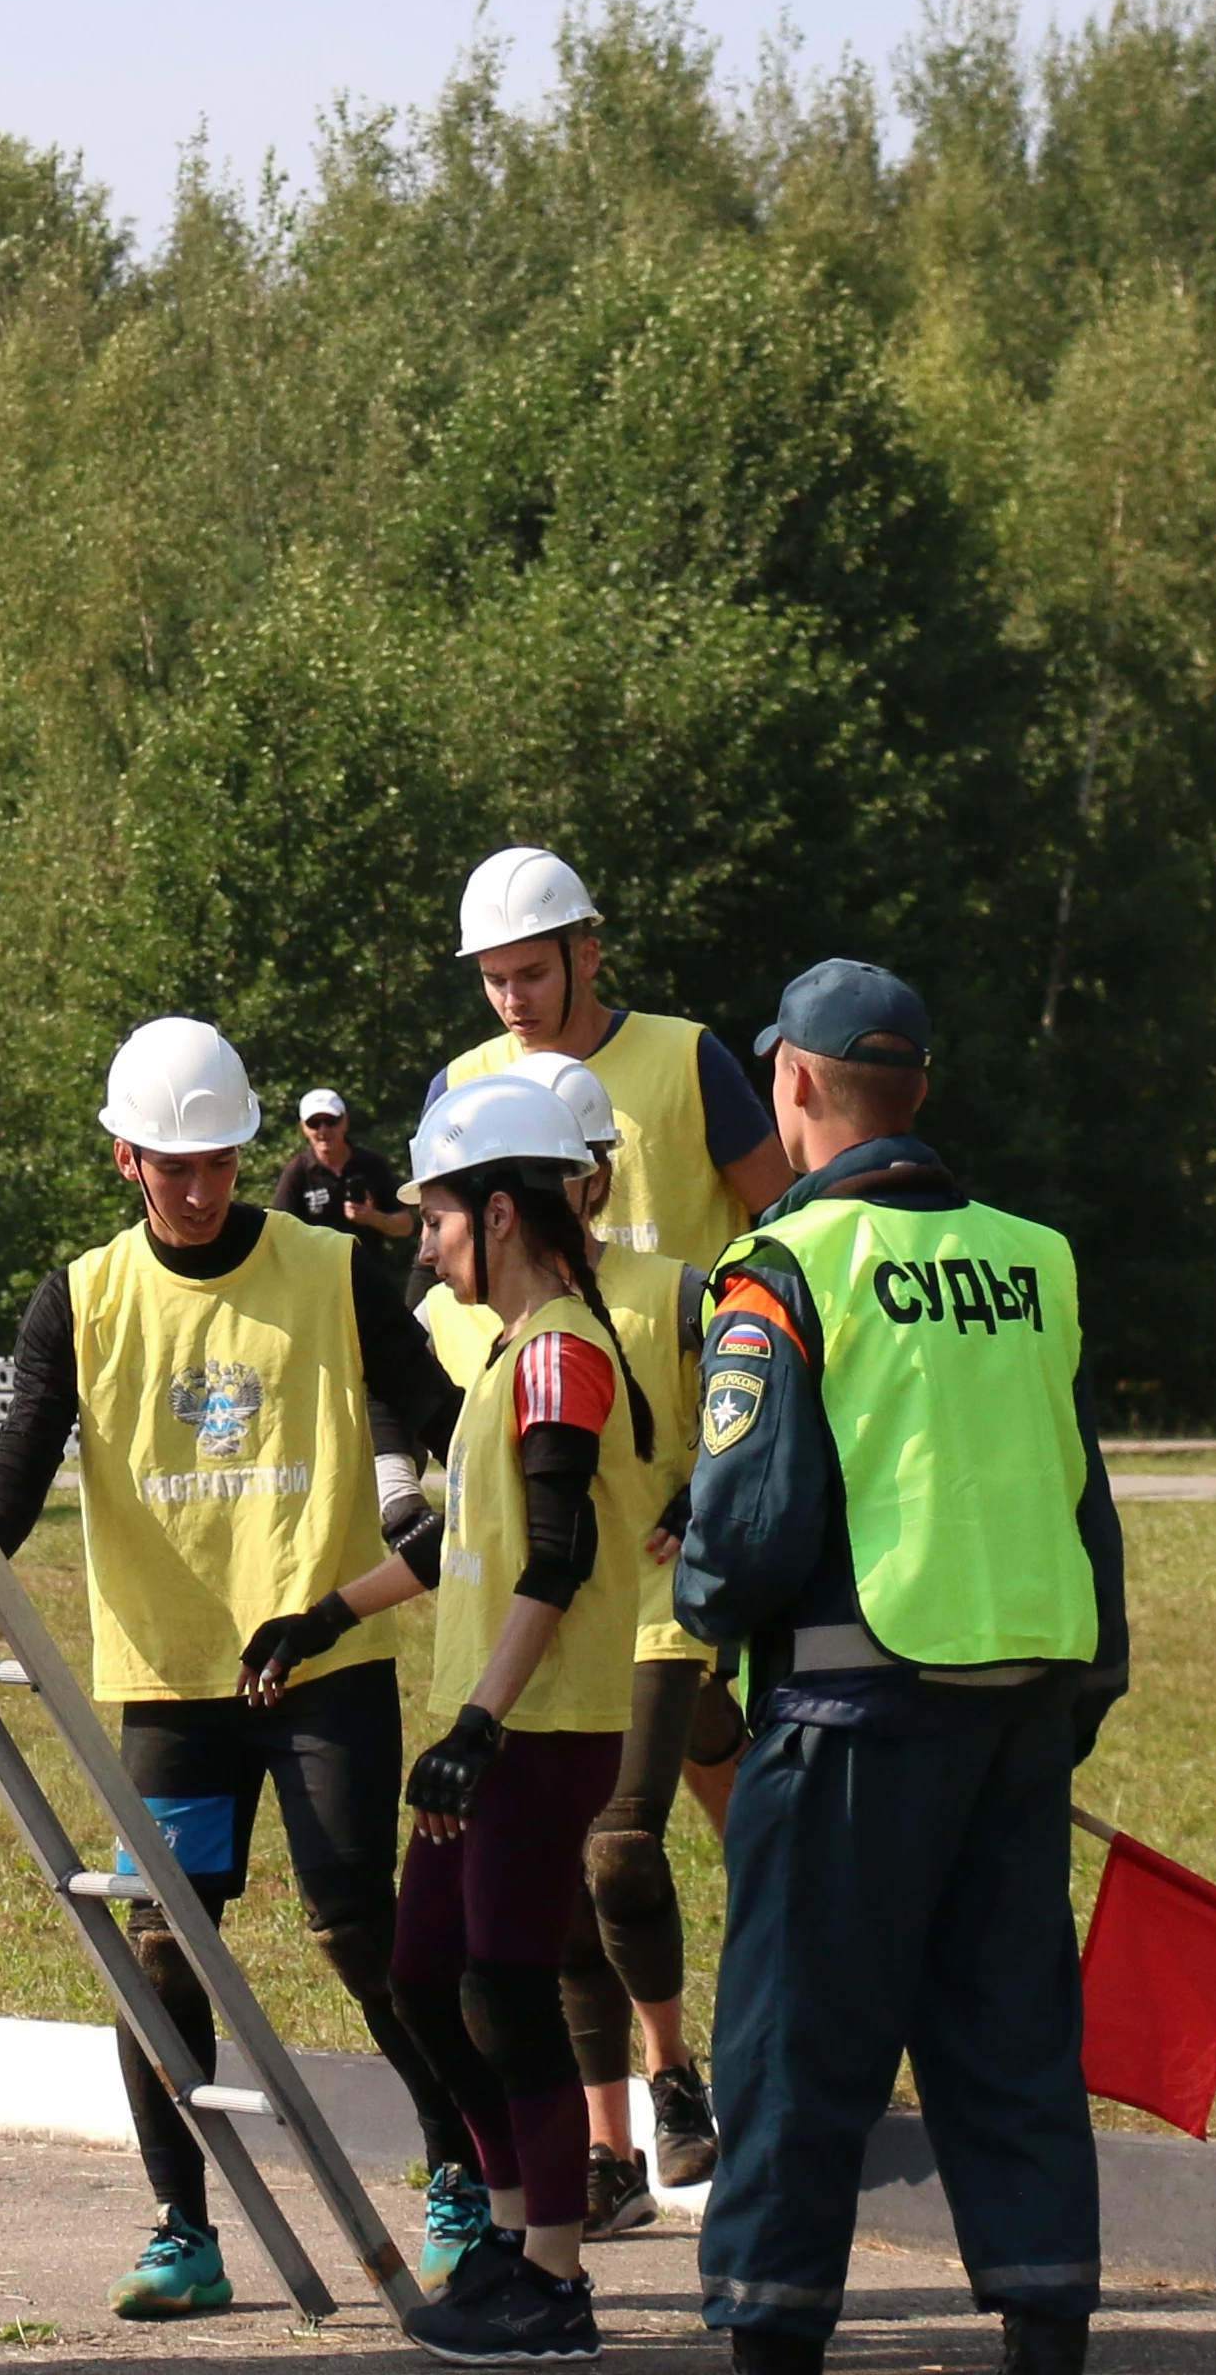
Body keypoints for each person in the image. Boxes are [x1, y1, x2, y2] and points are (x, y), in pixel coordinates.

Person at [0, 1016, 482, 2317]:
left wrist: (502, 1465)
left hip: (323, 1666)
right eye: (172, 1167)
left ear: (246, 1150)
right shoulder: (80, 1297)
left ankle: (458, 2178)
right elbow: (16, 1480)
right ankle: (182, 2229)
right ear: (124, 1160)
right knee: (160, 1950)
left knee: (363, 1930)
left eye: (219, 1163)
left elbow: (441, 1416)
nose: (199, 1190)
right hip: (169, 1685)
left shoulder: (333, 1271)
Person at [675, 962, 1126, 2375]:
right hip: (1021, 1719)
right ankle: (1046, 2338)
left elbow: (747, 1534)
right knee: (1011, 2055)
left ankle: (771, 2339)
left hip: (845, 1728)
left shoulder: (788, 1270)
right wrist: (1075, 1706)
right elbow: (1083, 1504)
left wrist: (695, 1610)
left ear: (795, 1085)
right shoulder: (1036, 1259)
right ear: (920, 1088)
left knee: (792, 2060)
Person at [236, 1072, 662, 2361]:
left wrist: (478, 1725)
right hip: (494, 1722)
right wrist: (323, 1616)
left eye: (436, 1219)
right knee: (423, 1978)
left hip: (540, 1727)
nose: (421, 1240)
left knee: (503, 1985)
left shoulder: (564, 1358)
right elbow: (455, 1543)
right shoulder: (513, 1354)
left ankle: (555, 2280)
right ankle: (512, 2228)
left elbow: (558, 1555)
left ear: (502, 1211)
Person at [446, 846, 790, 2220]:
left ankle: (738, 2061)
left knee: (673, 1822)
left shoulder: (689, 1063)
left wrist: (731, 1469)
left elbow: (792, 1238)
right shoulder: (459, 1094)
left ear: (592, 952)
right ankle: (624, 2130)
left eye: (534, 969)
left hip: (668, 1541)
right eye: (493, 976)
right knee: (618, 1832)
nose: (514, 996)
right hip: (542, 1555)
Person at [273, 1088, 413, 1245]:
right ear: (304, 1128)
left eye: (331, 1121)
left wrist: (373, 1218)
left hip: (366, 1267)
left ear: (345, 1122)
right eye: (314, 1124)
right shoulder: (296, 1172)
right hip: (318, 1267)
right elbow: (280, 1233)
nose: (323, 1130)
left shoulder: (372, 1164)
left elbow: (405, 1226)